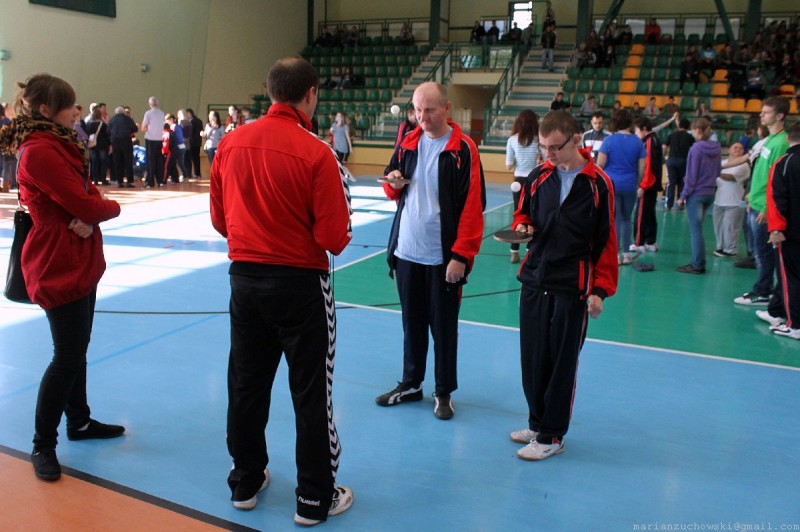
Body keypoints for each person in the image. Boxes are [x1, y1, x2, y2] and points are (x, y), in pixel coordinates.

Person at [209, 57, 354, 525]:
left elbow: (220, 220)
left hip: (245, 283)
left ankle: (245, 481)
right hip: (300, 287)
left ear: (270, 91)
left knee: (246, 384)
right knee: (311, 393)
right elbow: (333, 237)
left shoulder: (230, 144)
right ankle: (314, 498)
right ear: (310, 94)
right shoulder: (318, 153)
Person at [0, 73, 124, 482]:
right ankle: (43, 443)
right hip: (58, 261)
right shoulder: (40, 151)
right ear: (45, 110)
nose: (75, 111)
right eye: (69, 106)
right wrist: (104, 209)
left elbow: (85, 198)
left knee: (77, 348)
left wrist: (90, 212)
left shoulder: (60, 144)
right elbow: (84, 202)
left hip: (78, 255)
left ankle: (80, 421)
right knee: (67, 354)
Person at [509, 110, 618, 461]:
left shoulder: (598, 184)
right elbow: (523, 213)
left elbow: (606, 241)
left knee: (561, 363)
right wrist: (523, 225)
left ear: (576, 140)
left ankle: (552, 435)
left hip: (572, 285)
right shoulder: (539, 176)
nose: (548, 154)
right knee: (532, 358)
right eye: (544, 147)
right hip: (535, 278)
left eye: (555, 147)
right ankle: (537, 422)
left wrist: (600, 290)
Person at [376, 81, 486, 420]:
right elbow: (391, 185)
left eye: (430, 110)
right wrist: (393, 181)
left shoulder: (463, 149)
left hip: (443, 259)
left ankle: (443, 391)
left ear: (447, 108)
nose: (422, 117)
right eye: (418, 110)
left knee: (444, 328)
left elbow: (473, 206)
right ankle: (411, 383)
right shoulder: (408, 142)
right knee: (412, 324)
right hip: (407, 252)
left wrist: (461, 256)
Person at [726, 97, 790, 305]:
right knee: (759, 252)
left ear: (780, 116)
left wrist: (767, 208)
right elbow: (761, 172)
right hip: (755, 202)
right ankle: (765, 289)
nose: (761, 115)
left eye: (767, 112)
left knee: (764, 254)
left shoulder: (781, 143)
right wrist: (751, 195)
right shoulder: (769, 140)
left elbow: (778, 181)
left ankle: (764, 292)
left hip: (764, 208)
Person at [597, 109, 646, 265]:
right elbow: (642, 167)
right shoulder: (638, 142)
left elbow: (600, 165)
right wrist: (637, 182)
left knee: (615, 220)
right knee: (627, 219)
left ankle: (616, 255)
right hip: (630, 184)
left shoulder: (609, 141)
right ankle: (626, 253)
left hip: (612, 184)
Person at [766, 123, 800, 339]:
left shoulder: (783, 163)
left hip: (791, 233)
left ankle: (794, 325)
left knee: (791, 278)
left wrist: (776, 229)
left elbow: (776, 198)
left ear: (788, 138)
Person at [676, 117, 722, 274]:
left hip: (696, 193)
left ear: (697, 131)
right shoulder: (717, 147)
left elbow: (692, 175)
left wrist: (682, 196)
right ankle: (699, 261)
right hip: (710, 192)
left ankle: (697, 264)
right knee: (698, 229)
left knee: (695, 231)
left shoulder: (696, 149)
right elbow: (718, 171)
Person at [505, 109, 541, 263]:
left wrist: (517, 160)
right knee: (534, 215)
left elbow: (508, 165)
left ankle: (514, 251)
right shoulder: (538, 140)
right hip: (534, 181)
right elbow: (546, 160)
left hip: (518, 181)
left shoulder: (512, 140)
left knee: (518, 215)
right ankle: (529, 249)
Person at [632, 117, 663, 252]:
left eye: (637, 130)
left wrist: (643, 186)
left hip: (648, 184)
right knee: (649, 213)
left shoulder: (649, 141)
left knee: (641, 213)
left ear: (644, 129)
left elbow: (648, 165)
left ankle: (639, 243)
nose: (635, 133)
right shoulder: (655, 139)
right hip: (653, 184)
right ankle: (650, 241)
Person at [713, 142, 749, 257]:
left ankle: (730, 250)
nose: (737, 150)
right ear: (729, 150)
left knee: (731, 227)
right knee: (719, 226)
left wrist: (714, 171)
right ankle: (720, 246)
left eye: (740, 148)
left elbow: (730, 177)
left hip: (734, 202)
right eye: (735, 147)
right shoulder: (722, 163)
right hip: (719, 200)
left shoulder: (744, 166)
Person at [664, 118, 694, 210]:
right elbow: (694, 150)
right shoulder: (690, 137)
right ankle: (680, 202)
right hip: (684, 161)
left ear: (679, 126)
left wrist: (665, 157)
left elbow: (664, 147)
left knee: (671, 182)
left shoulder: (671, 135)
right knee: (682, 182)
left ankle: (668, 204)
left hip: (672, 160)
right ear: (688, 127)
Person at [107, 105, 138, 188]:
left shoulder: (112, 120)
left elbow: (108, 131)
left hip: (115, 142)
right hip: (126, 141)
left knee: (118, 161)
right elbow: (135, 129)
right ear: (123, 112)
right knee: (128, 161)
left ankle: (119, 181)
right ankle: (129, 181)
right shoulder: (128, 119)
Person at [141, 96, 166, 188]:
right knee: (159, 160)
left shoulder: (148, 113)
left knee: (151, 161)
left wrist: (146, 128)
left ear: (150, 104)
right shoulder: (162, 113)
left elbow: (143, 127)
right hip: (159, 139)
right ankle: (160, 181)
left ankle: (150, 182)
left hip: (150, 139)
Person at [85, 107, 110, 185]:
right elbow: (107, 135)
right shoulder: (103, 124)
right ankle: (103, 179)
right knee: (103, 162)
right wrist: (109, 144)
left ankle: (95, 180)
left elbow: (86, 134)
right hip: (102, 145)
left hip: (92, 145)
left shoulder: (88, 124)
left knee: (94, 162)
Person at [187, 108, 203, 178]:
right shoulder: (199, 120)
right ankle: (198, 173)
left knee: (192, 159)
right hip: (198, 142)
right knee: (197, 158)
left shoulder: (191, 122)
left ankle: (190, 173)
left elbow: (190, 133)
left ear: (190, 114)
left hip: (192, 142)